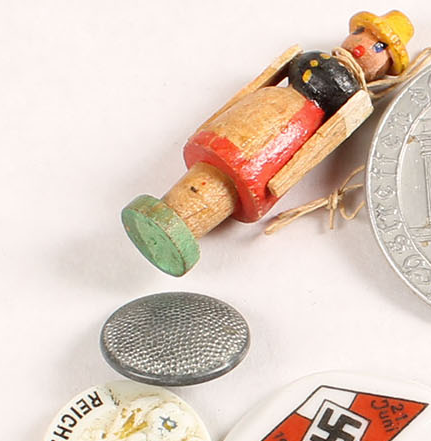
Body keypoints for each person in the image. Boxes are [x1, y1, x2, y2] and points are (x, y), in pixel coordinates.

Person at [122, 11, 414, 276]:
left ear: (386, 67)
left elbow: (324, 141)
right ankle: (169, 210)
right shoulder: (313, 58)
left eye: (378, 47)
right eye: (361, 33)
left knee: (241, 174)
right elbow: (263, 80)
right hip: (254, 112)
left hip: (290, 136)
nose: (362, 46)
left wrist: (282, 179)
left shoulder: (352, 94)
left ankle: (186, 224)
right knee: (220, 156)